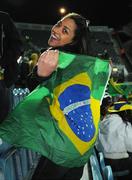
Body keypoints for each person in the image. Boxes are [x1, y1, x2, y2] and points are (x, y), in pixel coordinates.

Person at [0, 12, 110, 180]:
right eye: (58, 24)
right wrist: (40, 75)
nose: (56, 30)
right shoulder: (76, 61)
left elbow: (39, 93)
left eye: (65, 30)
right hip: (78, 149)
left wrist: (41, 76)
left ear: (73, 41)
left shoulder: (67, 62)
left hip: (62, 146)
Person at [96, 101, 132, 180]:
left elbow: (97, 145)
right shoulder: (125, 125)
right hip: (122, 166)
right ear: (124, 112)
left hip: (105, 163)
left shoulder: (102, 122)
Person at [0, 11, 24, 122]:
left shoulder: (3, 18)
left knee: (3, 119)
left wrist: (3, 62)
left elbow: (17, 45)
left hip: (2, 77)